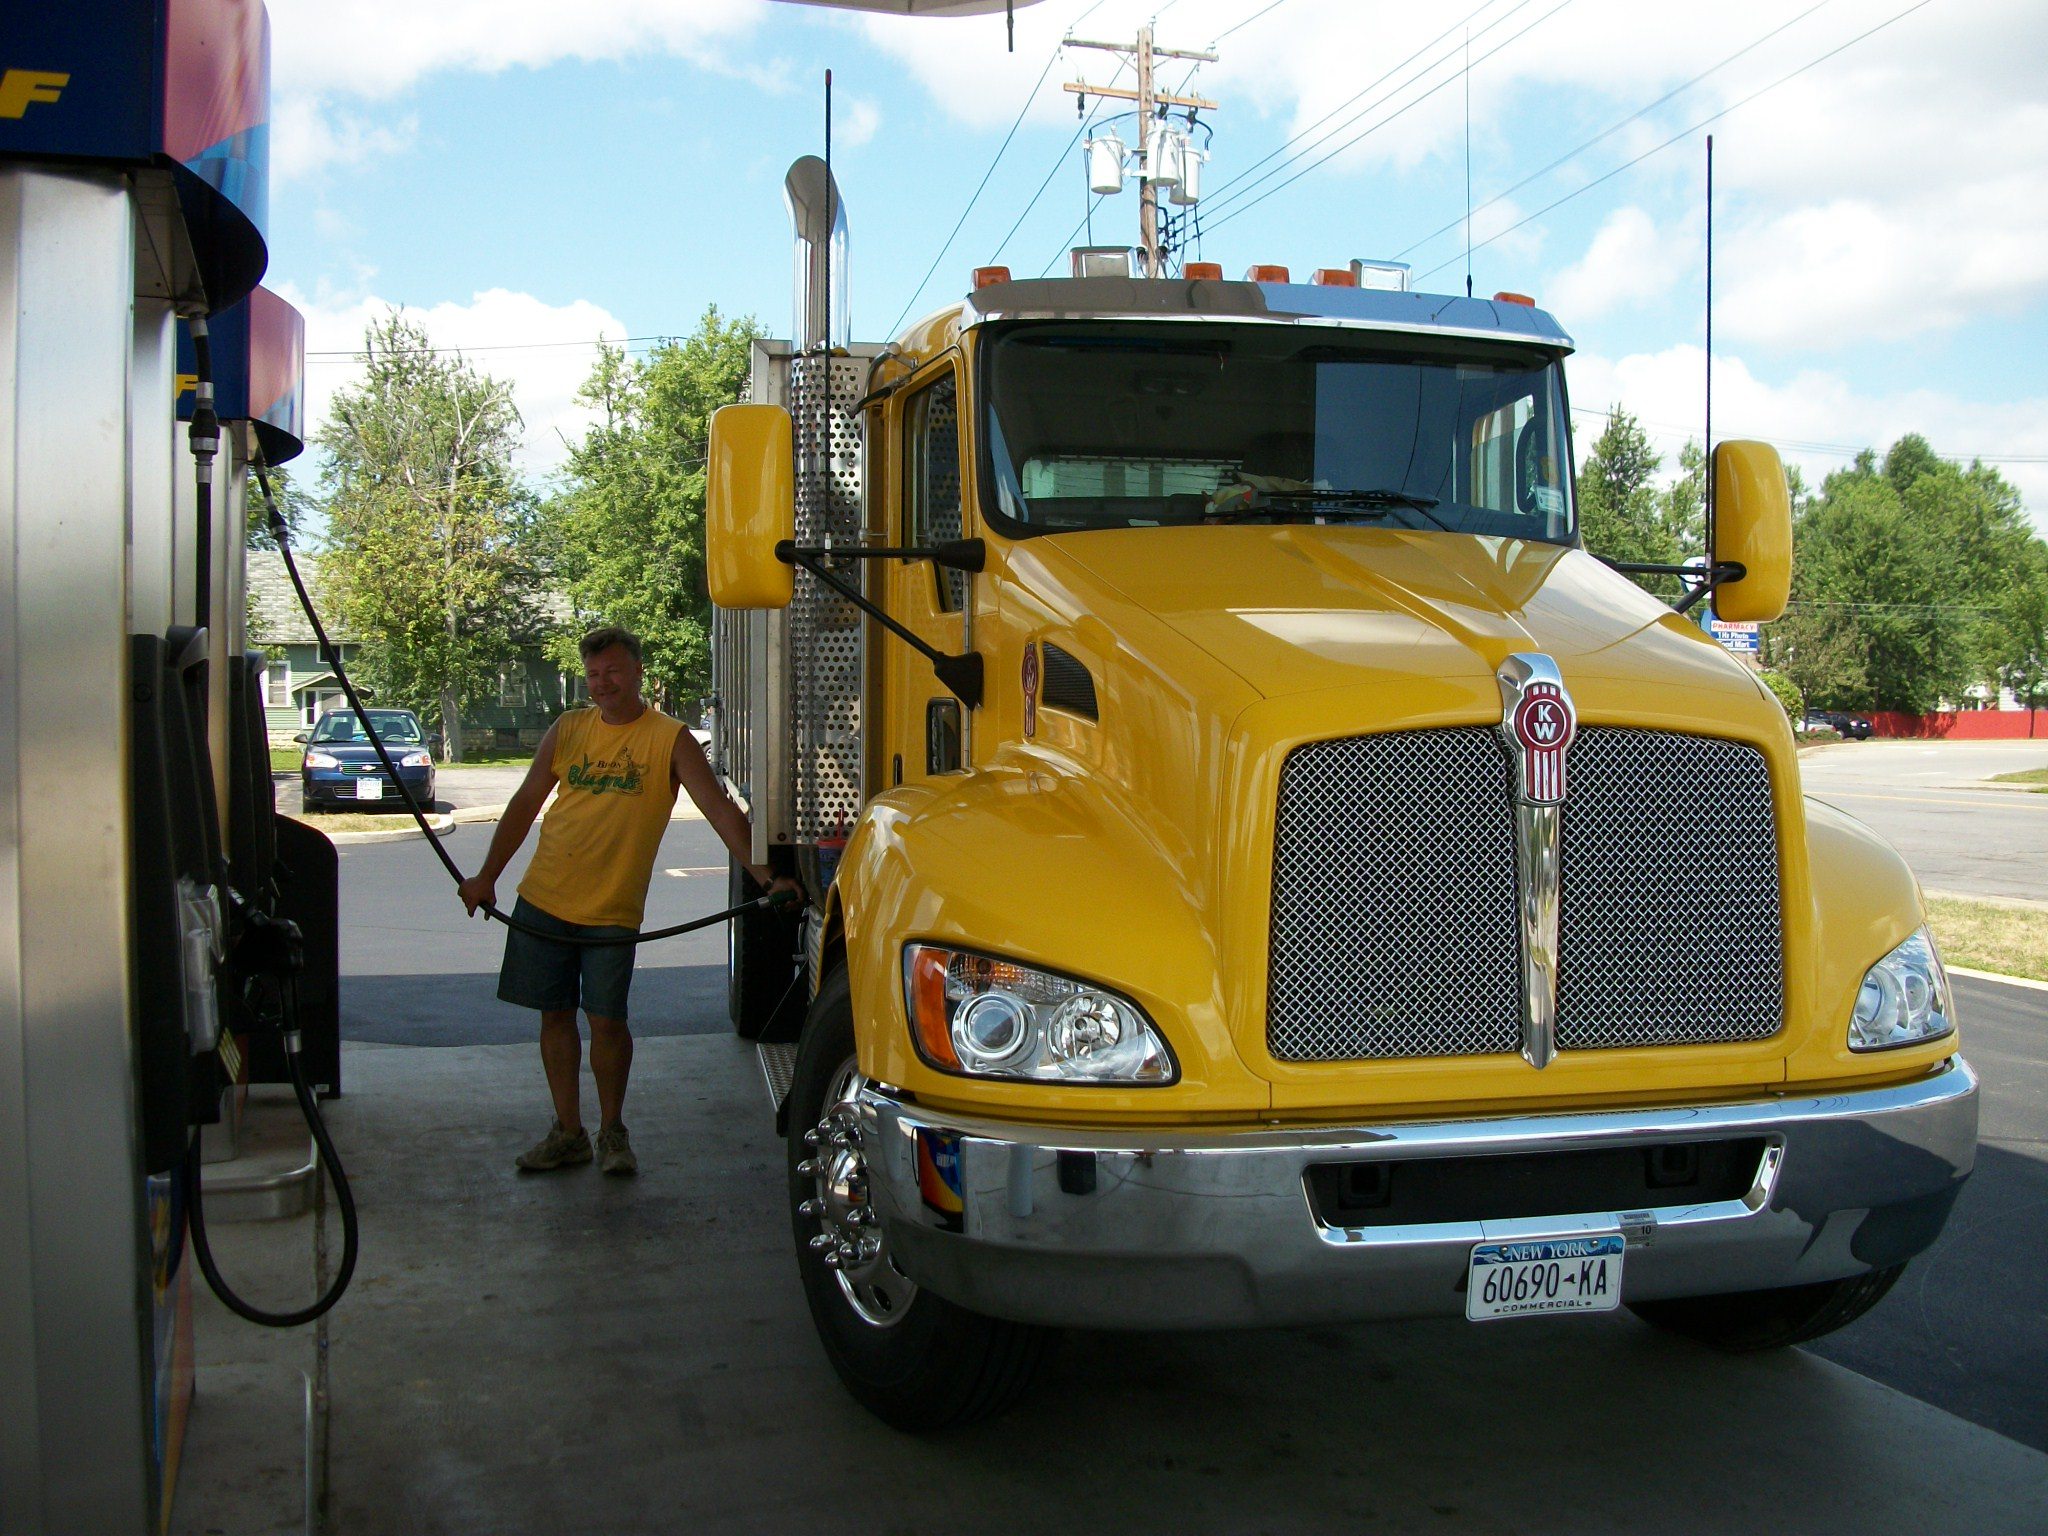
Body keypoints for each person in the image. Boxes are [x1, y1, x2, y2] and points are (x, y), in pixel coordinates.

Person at [458, 626, 798, 1176]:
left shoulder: (670, 739)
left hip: (612, 910)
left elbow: (719, 812)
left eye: (613, 671)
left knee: (608, 1022)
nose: (602, 683)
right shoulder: (567, 729)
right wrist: (485, 876)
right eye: (593, 674)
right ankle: (568, 1132)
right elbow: (524, 804)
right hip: (544, 898)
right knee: (554, 1017)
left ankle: (612, 1130)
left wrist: (767, 879)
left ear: (638, 671)